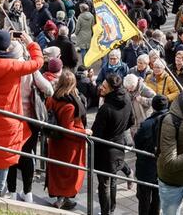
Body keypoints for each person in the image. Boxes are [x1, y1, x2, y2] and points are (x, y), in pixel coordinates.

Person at [2, 35, 52, 203]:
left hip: (12, 118)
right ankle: (28, 192)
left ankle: (12, 190)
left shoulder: (6, 66)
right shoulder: (30, 67)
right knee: (27, 155)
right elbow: (48, 89)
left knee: (12, 154)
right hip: (30, 119)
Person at [46, 71, 90, 210]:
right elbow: (68, 129)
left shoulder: (53, 98)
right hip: (69, 145)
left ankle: (62, 198)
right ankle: (62, 199)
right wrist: (85, 131)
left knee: (58, 171)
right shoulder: (69, 105)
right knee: (68, 173)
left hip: (56, 142)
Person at [91, 73, 134, 215]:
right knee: (113, 181)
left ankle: (106, 212)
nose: (100, 88)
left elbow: (96, 133)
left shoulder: (106, 108)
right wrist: (119, 131)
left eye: (104, 87)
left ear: (111, 89)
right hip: (119, 145)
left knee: (104, 185)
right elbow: (131, 121)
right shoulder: (127, 98)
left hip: (105, 151)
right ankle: (111, 209)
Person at [133, 95, 168, 215]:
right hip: (163, 167)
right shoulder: (172, 122)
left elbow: (137, 143)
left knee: (144, 198)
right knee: (157, 196)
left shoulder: (146, 124)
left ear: (153, 107)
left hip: (146, 166)